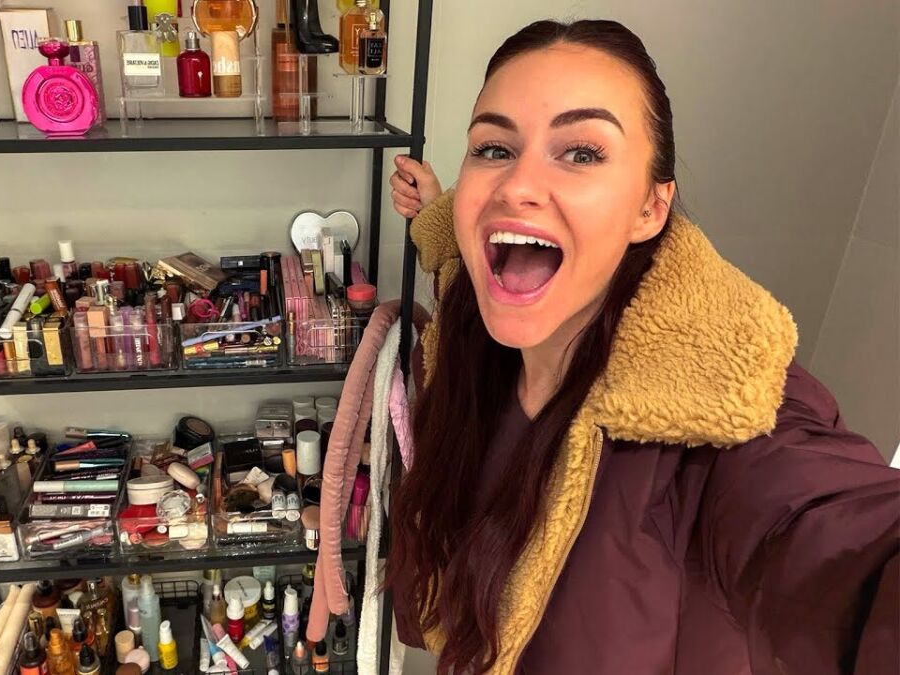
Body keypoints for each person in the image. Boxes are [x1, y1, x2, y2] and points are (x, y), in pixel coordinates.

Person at [385, 19, 899, 675]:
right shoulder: (475, 335)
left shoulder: (729, 419)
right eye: (493, 148)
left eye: (581, 153)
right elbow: (459, 263)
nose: (515, 186)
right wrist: (436, 209)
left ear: (650, 209)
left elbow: (838, 543)